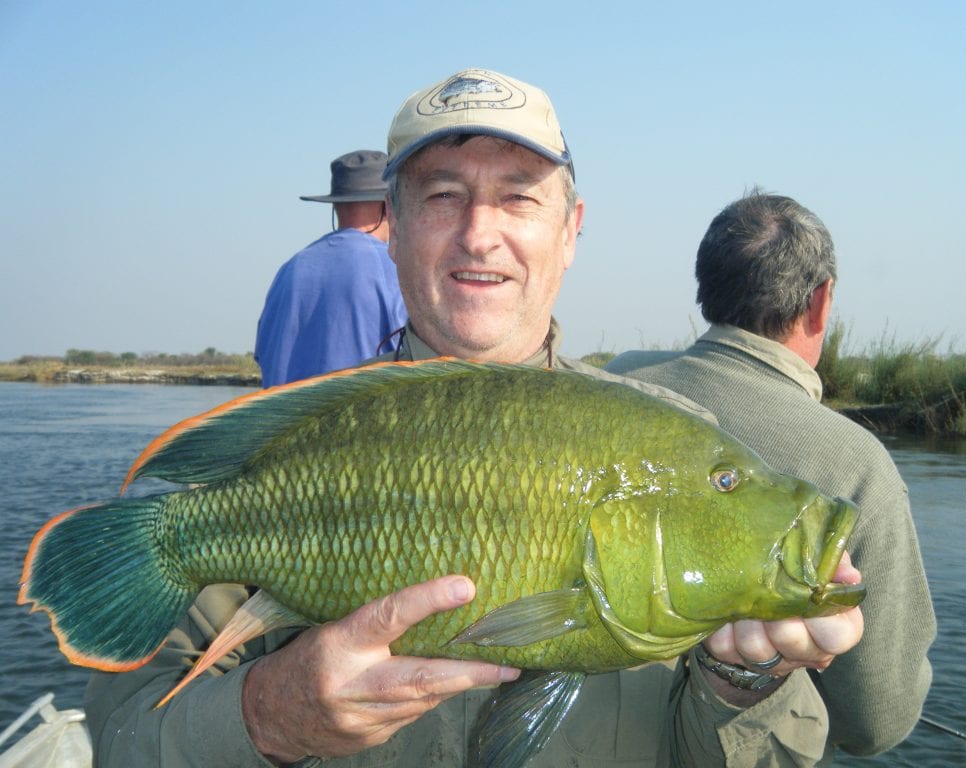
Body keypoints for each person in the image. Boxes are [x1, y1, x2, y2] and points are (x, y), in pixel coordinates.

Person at [84, 71, 864, 767]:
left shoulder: (682, 436)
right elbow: (120, 740)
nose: (479, 232)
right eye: (443, 195)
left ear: (571, 230)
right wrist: (268, 716)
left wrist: (741, 681)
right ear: (392, 225)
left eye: (520, 194)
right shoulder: (299, 452)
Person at [606, 190, 936, 761]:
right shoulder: (858, 465)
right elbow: (876, 723)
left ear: (706, 290)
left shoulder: (613, 386)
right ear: (821, 302)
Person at [254, 150, 408, 387]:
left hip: (280, 423)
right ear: (389, 205)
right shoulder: (394, 268)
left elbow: (264, 355)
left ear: (335, 205)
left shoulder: (289, 270)